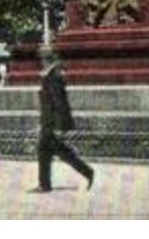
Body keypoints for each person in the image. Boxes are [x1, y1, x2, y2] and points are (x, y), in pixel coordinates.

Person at [35, 51, 93, 194]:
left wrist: (58, 125)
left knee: (47, 151)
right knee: (55, 151)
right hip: (48, 122)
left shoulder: (54, 76)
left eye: (43, 59)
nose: (41, 62)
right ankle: (86, 172)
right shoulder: (50, 75)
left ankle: (45, 184)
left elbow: (58, 102)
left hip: (52, 123)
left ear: (49, 60)